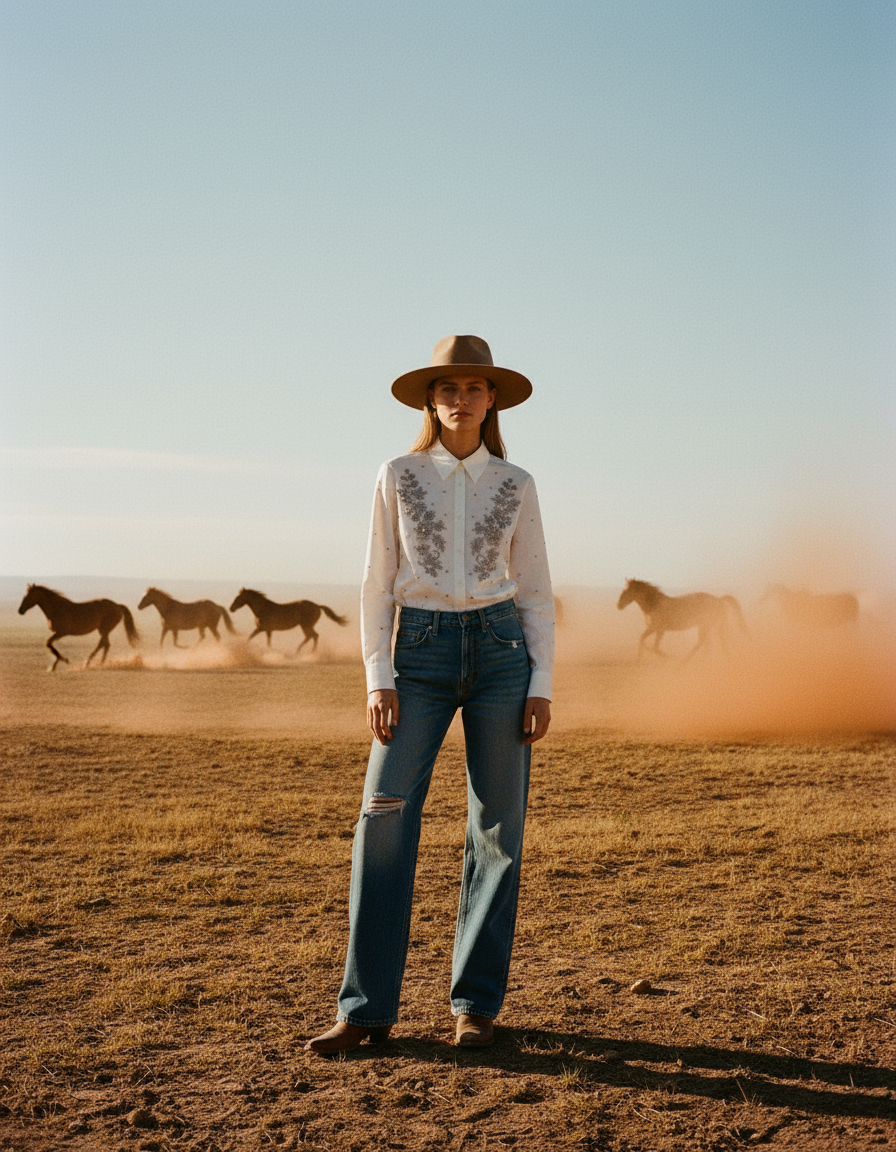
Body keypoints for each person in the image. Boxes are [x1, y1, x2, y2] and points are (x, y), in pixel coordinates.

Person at [306, 335, 554, 1055]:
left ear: (492, 399)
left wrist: (541, 681)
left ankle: (475, 1008)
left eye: (476, 387)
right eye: (449, 387)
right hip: (415, 655)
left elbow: (535, 588)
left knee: (498, 830)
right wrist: (377, 676)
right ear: (430, 398)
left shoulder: (517, 484)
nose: (462, 398)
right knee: (382, 819)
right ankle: (365, 1010)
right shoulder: (397, 473)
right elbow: (375, 579)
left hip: (503, 654)